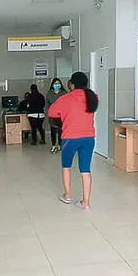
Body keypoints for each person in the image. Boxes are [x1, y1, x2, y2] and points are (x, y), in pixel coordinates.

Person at [49, 72, 98, 210]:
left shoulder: (65, 98)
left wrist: (64, 115)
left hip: (69, 138)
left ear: (72, 84)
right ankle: (86, 202)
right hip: (89, 138)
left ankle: (68, 195)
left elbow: (51, 112)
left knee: (66, 167)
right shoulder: (92, 97)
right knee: (86, 170)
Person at [46, 78, 67, 153]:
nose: (57, 85)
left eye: (58, 83)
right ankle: (53, 145)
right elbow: (47, 105)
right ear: (52, 85)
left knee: (61, 131)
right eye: (55, 84)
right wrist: (48, 113)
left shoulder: (64, 93)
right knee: (53, 131)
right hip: (52, 116)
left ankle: (60, 145)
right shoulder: (49, 93)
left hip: (61, 116)